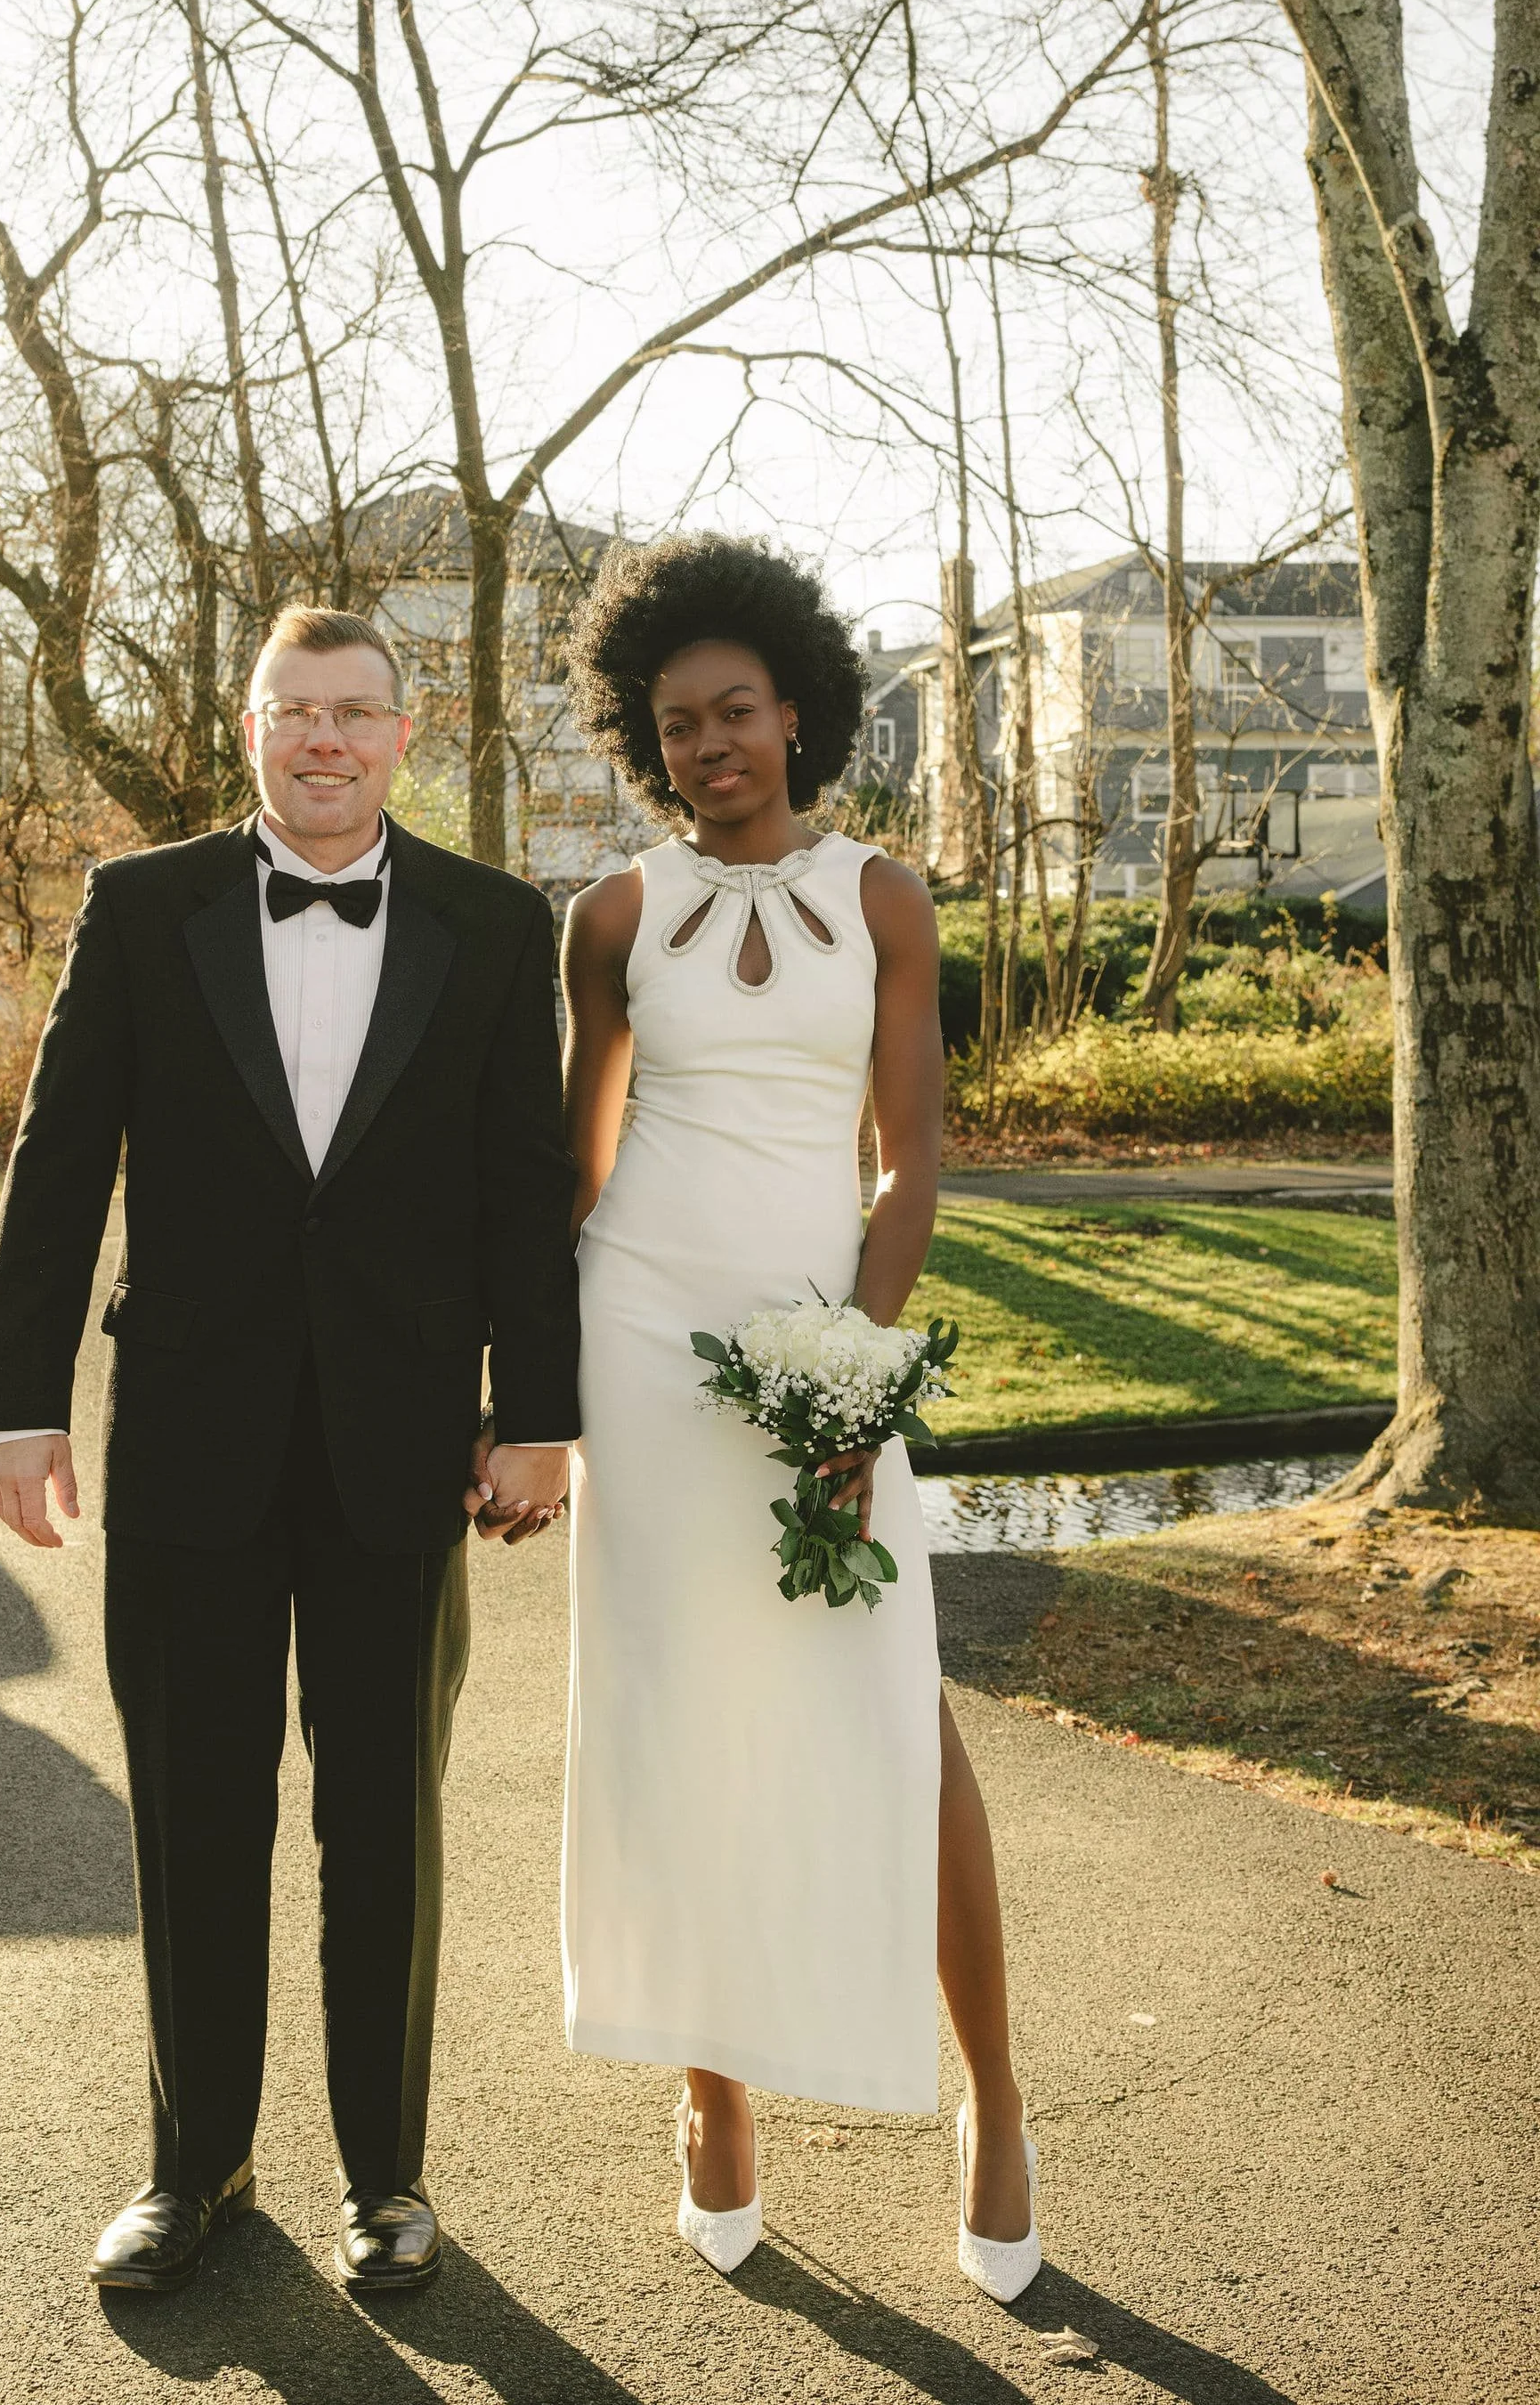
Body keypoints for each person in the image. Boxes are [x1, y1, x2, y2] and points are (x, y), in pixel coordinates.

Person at [0, 606, 579, 2298]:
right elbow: (55, 1166)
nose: (325, 739)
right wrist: (21, 1400)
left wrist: (539, 1412)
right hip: (188, 1440)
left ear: (406, 732)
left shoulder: (491, 919)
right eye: (293, 710)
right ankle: (196, 2168)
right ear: (248, 727)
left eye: (355, 713)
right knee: (194, 1812)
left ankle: (388, 2178)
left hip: (404, 1448)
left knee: (384, 1820)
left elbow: (523, 1192)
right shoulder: (140, 904)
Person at [548, 533, 1039, 2301]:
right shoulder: (612, 918)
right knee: (675, 1716)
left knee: (893, 1704)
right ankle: (713, 2096)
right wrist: (536, 1394)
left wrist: (857, 1361)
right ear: (645, 735)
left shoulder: (882, 897)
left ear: (798, 708)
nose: (707, 745)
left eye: (735, 709)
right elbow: (573, 1174)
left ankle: (992, 2098)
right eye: (675, 722)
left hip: (821, 1339)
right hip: (644, 1345)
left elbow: (908, 1161)